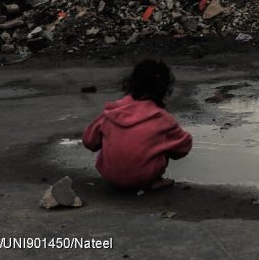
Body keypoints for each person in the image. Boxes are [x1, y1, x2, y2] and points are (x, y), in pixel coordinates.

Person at [82, 59, 192, 190]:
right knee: (164, 143)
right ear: (164, 89)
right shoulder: (162, 119)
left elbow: (89, 141)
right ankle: (155, 180)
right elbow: (183, 148)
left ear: (130, 83)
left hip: (109, 176)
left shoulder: (112, 112)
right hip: (143, 178)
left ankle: (121, 171)